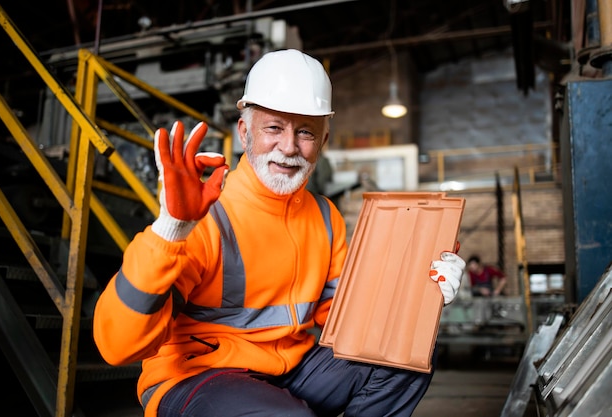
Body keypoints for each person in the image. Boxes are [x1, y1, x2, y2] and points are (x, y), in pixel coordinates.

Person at [93, 49, 466, 417]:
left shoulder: (324, 216)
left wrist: (421, 298)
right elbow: (117, 346)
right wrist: (169, 231)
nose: (289, 147)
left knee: (405, 354)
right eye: (274, 127)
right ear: (245, 132)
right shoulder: (205, 214)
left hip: (290, 372)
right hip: (197, 378)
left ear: (323, 141)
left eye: (305, 132)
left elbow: (348, 320)